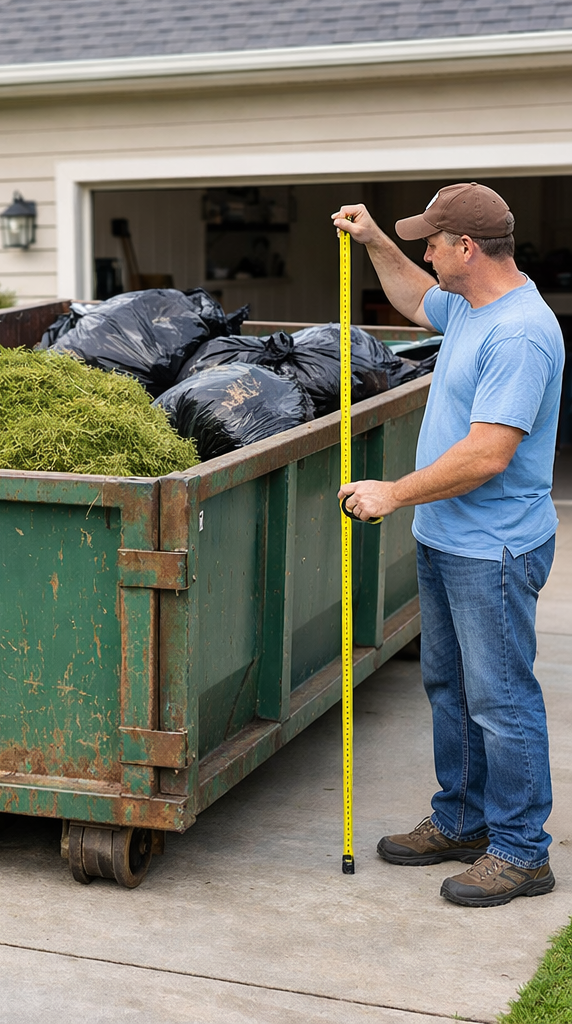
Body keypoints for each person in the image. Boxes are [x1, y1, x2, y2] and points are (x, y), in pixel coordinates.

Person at [332, 183, 564, 907]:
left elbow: (489, 454)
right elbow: (412, 299)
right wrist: (376, 240)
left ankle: (523, 851)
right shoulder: (466, 304)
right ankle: (463, 821)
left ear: (466, 248)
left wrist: (394, 492)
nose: (424, 252)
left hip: (492, 548)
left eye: (431, 241)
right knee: (450, 690)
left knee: (500, 701)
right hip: (446, 538)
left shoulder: (520, 332)